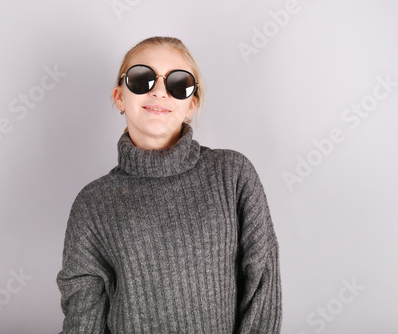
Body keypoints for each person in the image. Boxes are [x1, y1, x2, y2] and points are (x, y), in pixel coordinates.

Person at [56, 36, 282, 334]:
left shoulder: (233, 174)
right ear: (119, 97)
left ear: (191, 104)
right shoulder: (94, 203)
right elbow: (83, 319)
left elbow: (262, 289)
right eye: (141, 79)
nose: (159, 92)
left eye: (178, 85)